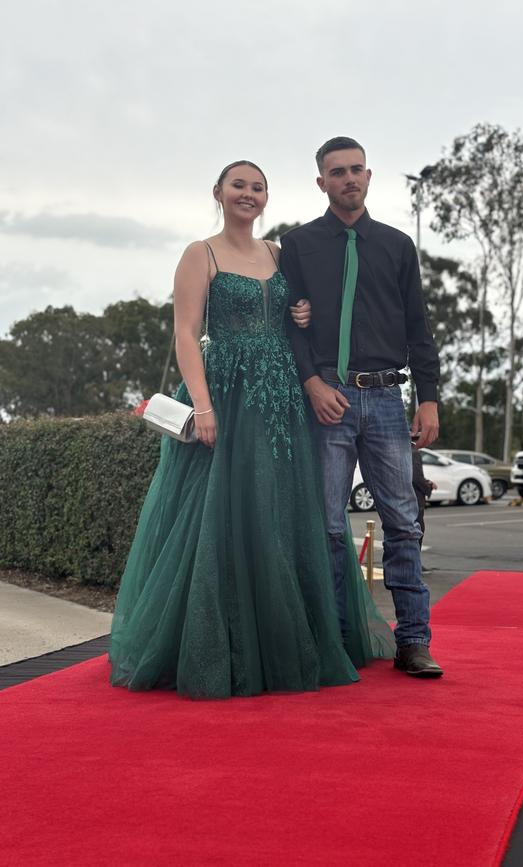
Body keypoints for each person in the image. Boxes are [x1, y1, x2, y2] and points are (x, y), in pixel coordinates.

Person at [109, 159, 394, 699]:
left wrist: (301, 313)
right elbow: (187, 335)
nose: (249, 193)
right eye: (239, 184)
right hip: (228, 395)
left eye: (258, 187)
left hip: (284, 396)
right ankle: (221, 648)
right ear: (218, 192)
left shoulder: (279, 254)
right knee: (223, 516)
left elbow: (295, 317)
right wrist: (204, 405)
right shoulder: (202, 253)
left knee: (282, 511)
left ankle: (294, 640)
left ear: (266, 198)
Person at [281, 137, 444, 678]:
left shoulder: (398, 246)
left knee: (402, 520)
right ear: (321, 182)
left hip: (386, 398)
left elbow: (419, 328)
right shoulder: (298, 244)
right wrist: (311, 383)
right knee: (328, 524)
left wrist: (428, 399)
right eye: (337, 172)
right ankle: (336, 640)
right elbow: (289, 321)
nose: (348, 179)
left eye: (356, 170)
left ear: (369, 177)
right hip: (329, 395)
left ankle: (414, 641)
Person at [411, 445, 434, 545]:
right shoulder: (414, 453)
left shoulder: (396, 450)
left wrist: (426, 482)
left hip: (398, 499)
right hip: (414, 498)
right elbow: (416, 477)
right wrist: (427, 488)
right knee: (416, 534)